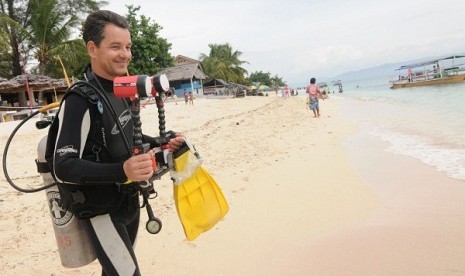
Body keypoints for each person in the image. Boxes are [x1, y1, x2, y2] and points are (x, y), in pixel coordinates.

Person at [52, 10, 184, 275]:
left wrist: (161, 143)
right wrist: (121, 171)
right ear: (92, 48)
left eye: (128, 46)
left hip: (129, 200)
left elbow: (122, 138)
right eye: (115, 47)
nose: (125, 54)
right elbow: (62, 166)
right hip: (101, 209)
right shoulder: (80, 99)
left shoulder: (122, 88)